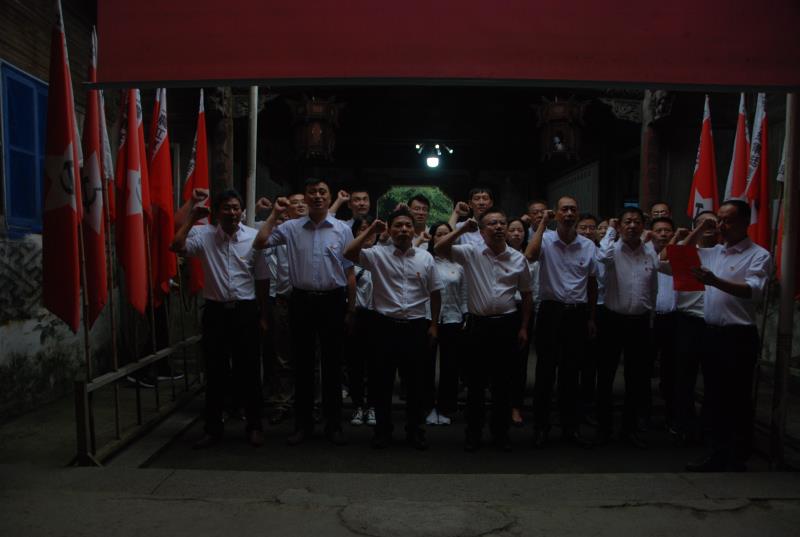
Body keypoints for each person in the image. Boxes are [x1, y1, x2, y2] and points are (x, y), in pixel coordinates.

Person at [666, 200, 771, 471]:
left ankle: (737, 454)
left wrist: (715, 281)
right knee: (714, 395)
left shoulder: (758, 254)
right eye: (720, 220)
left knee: (737, 396)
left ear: (745, 223)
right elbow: (680, 255)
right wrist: (700, 229)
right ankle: (717, 451)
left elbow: (753, 290)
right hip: (712, 333)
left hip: (738, 335)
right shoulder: (716, 252)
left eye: (728, 221)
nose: (722, 226)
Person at [253, 178, 357, 446]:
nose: (318, 196)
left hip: (333, 300)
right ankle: (303, 425)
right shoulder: (290, 227)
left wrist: (350, 308)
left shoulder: (342, 229)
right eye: (312, 192)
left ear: (329, 196)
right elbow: (260, 242)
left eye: (322, 192)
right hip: (301, 301)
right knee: (303, 365)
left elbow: (349, 271)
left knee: (332, 365)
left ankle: (333, 424)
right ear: (306, 197)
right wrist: (274, 213)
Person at [171, 189, 265, 448]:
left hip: (245, 310)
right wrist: (193, 217)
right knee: (215, 372)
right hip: (215, 312)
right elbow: (176, 245)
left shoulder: (253, 237)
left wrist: (263, 314)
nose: (232, 213)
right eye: (226, 208)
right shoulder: (204, 235)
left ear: (242, 211)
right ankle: (213, 428)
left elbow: (262, 278)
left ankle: (255, 426)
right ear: (216, 212)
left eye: (236, 208)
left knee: (249, 370)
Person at [344, 208, 443, 449]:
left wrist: (433, 325)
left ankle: (415, 431)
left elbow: (435, 292)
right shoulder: (377, 254)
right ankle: (382, 431)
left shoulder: (425, 257)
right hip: (384, 326)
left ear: (414, 229)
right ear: (388, 230)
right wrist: (371, 229)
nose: (403, 229)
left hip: (416, 326)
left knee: (416, 384)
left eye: (408, 225)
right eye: (397, 225)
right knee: (382, 382)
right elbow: (348, 252)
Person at [436, 209, 532, 452]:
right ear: (481, 231)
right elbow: (439, 248)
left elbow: (527, 295)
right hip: (478, 326)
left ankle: (501, 433)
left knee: (503, 384)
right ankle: (473, 433)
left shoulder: (518, 259)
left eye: (502, 223)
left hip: (507, 324)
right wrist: (461, 229)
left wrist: (523, 326)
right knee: (476, 384)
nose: (498, 227)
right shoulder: (470, 252)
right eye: (492, 223)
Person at [525, 196, 597, 448]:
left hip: (577, 313)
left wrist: (591, 317)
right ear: (556, 213)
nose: (568, 214)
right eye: (563, 210)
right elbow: (530, 255)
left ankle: (570, 427)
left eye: (572, 210)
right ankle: (541, 427)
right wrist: (543, 224)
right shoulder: (544, 239)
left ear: (577, 214)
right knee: (545, 372)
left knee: (571, 373)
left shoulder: (587, 245)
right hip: (550, 311)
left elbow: (592, 283)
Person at [595, 207, 659, 449]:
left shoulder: (649, 251)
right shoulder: (612, 250)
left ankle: (628, 429)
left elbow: (652, 286)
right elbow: (602, 257)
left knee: (636, 378)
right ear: (620, 226)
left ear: (643, 226)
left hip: (639, 322)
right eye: (627, 222)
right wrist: (610, 230)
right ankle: (604, 428)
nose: (632, 226)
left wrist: (651, 315)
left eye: (636, 222)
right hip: (612, 320)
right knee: (606, 376)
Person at [669, 210, 719, 444]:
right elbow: (673, 256)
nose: (707, 226)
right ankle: (684, 424)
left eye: (712, 223)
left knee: (713, 378)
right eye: (701, 223)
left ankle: (709, 426)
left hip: (714, 322)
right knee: (684, 376)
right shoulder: (687, 250)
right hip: (688, 321)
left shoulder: (724, 252)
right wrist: (699, 230)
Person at [425, 222, 468, 427]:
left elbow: (464, 294)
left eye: (446, 234)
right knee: (426, 365)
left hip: (453, 319)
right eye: (438, 234)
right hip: (427, 319)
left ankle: (445, 406)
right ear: (432, 238)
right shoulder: (426, 262)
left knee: (450, 366)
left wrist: (465, 316)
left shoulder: (459, 265)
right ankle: (427, 406)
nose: (442, 237)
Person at [346, 216, 377, 428]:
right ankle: (357, 405)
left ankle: (373, 405)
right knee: (355, 363)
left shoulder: (382, 255)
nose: (367, 234)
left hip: (378, 316)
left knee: (376, 364)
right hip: (355, 315)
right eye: (362, 229)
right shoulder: (348, 258)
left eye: (371, 230)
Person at [506, 217, 536, 427]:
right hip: (504, 309)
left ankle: (516, 405)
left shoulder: (532, 256)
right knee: (502, 360)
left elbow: (534, 289)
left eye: (520, 230)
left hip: (524, 309)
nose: (516, 233)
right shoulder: (498, 254)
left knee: (520, 360)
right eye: (513, 230)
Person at [650, 216, 678, 432]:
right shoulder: (643, 252)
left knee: (672, 369)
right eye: (658, 230)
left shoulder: (682, 252)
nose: (663, 234)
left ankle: (672, 415)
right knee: (642, 367)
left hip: (673, 318)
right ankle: (642, 413)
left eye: (667, 230)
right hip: (648, 318)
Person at [576, 213, 601, 425]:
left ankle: (588, 405)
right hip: (577, 308)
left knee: (591, 363)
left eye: (592, 228)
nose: (587, 231)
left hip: (600, 309)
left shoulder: (604, 250)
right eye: (583, 227)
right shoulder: (573, 248)